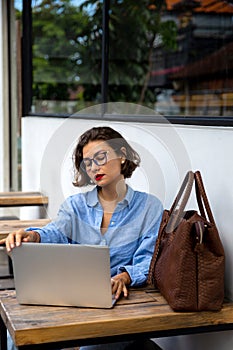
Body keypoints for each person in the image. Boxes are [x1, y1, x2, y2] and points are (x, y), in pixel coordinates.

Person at [1, 126, 163, 350]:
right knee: (19, 335)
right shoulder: (75, 206)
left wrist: (124, 277)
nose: (94, 167)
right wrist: (32, 235)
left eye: (100, 157)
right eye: (88, 162)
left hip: (122, 302)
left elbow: (148, 258)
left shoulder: (149, 206)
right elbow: (56, 232)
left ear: (122, 155)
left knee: (93, 346)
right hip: (72, 296)